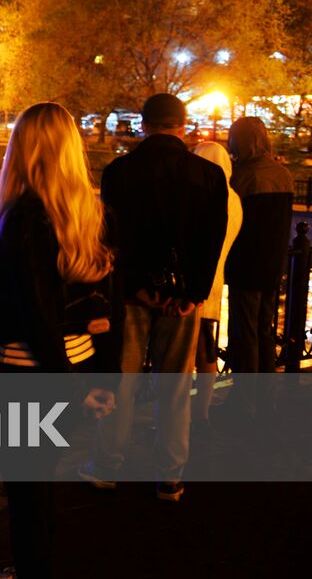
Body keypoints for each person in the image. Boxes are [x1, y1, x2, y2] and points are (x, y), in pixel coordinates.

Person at [0, 102, 117, 579]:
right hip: (74, 361)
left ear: (24, 147)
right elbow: (94, 302)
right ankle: (35, 565)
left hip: (29, 372)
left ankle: (30, 569)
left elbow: (37, 315)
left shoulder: (24, 216)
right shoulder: (84, 211)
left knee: (25, 489)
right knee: (42, 483)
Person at [92, 93, 226, 501]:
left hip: (132, 297)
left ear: (145, 126)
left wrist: (135, 286)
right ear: (183, 127)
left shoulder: (120, 172)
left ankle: (108, 463)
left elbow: (113, 237)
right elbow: (211, 239)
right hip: (182, 300)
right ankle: (169, 473)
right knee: (174, 387)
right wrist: (193, 293)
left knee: (122, 381)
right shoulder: (207, 175)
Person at [223, 116, 293, 421]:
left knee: (244, 332)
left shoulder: (242, 177)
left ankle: (243, 399)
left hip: (246, 263)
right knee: (264, 331)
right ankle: (267, 397)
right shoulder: (283, 174)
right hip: (273, 264)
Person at [191, 141, 242, 431]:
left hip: (193, 284)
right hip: (215, 283)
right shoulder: (234, 198)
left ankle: (177, 414)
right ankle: (202, 412)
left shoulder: (201, 194)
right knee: (207, 352)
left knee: (183, 355)